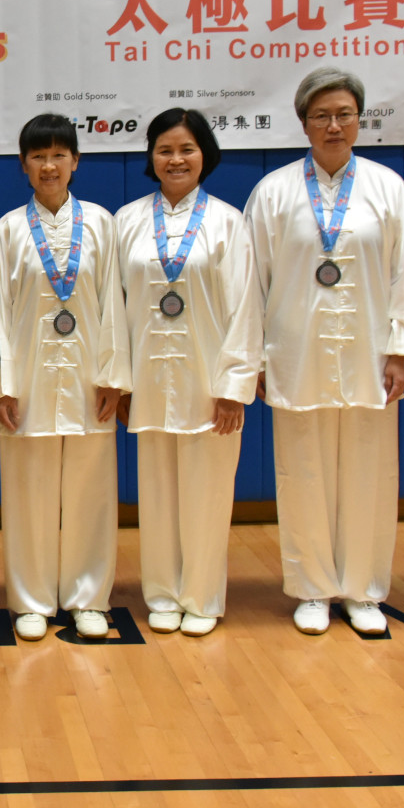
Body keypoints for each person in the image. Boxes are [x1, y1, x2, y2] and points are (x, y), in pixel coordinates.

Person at [244, 67, 404, 636]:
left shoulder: (388, 188)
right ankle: (312, 588)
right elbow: (251, 284)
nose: (333, 125)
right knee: (302, 471)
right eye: (321, 115)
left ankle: (364, 589)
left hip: (369, 356)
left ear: (359, 120)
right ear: (303, 122)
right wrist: (255, 359)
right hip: (295, 354)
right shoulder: (274, 192)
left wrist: (400, 350)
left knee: (369, 472)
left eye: (344, 114)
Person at [115, 109, 260, 638]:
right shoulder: (127, 220)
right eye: (165, 150)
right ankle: (161, 593)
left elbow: (246, 307)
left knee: (208, 492)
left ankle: (201, 595)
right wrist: (119, 380)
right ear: (151, 157)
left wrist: (235, 385)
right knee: (156, 493)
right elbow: (112, 309)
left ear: (205, 156)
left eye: (187, 150)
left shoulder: (228, 221)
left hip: (208, 380)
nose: (176, 160)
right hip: (148, 378)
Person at [0, 114, 128, 642]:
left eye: (58, 156)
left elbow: (114, 303)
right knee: (28, 491)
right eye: (38, 157)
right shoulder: (8, 229)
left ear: (76, 162)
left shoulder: (101, 223)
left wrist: (113, 375)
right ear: (23, 165)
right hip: (27, 381)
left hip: (91, 377)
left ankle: (88, 597)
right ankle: (31, 600)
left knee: (92, 491)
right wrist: (3, 385)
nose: (49, 166)